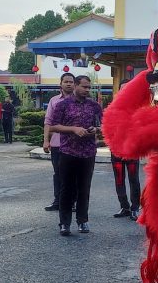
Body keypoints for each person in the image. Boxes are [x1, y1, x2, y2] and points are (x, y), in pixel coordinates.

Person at [48, 75, 103, 235]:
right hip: (67, 152)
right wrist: (73, 129)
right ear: (76, 86)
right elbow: (53, 127)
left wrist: (96, 129)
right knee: (67, 189)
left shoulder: (94, 106)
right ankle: (64, 223)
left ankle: (82, 221)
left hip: (88, 153)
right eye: (84, 87)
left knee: (84, 188)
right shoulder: (62, 105)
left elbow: (103, 124)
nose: (87, 90)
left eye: (88, 87)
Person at [41, 73, 76, 212]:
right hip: (57, 144)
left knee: (72, 174)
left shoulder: (79, 100)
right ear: (60, 84)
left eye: (71, 82)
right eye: (66, 81)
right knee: (58, 174)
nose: (68, 84)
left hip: (74, 145)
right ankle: (58, 200)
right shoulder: (53, 101)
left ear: (74, 84)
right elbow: (48, 122)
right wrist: (45, 141)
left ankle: (72, 201)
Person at [111, 156, 141, 220]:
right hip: (116, 151)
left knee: (134, 179)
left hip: (132, 151)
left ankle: (135, 208)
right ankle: (124, 207)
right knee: (119, 180)